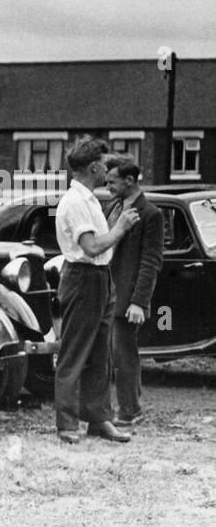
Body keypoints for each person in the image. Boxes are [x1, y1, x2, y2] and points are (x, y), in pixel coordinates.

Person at [52, 138, 140, 444]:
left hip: (100, 278)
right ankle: (67, 424)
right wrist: (121, 228)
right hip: (83, 277)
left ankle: (98, 418)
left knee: (101, 353)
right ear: (93, 167)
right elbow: (90, 248)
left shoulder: (88, 199)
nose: (109, 168)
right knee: (74, 352)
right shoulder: (75, 202)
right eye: (105, 163)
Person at [104, 155, 164, 426]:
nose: (108, 186)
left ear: (130, 180)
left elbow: (151, 261)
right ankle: (126, 408)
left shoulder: (151, 214)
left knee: (123, 355)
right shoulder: (113, 206)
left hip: (127, 299)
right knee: (115, 354)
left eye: (112, 181)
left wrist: (139, 302)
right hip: (107, 294)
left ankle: (130, 411)